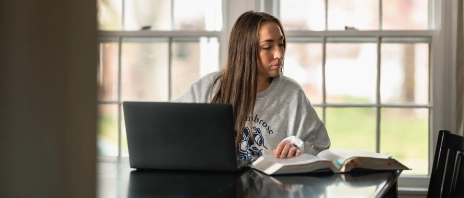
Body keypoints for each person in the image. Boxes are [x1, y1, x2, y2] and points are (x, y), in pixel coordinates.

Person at [175, 11, 330, 162]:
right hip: (215, 185)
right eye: (268, 47)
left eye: (281, 44)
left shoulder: (292, 94)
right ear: (245, 49)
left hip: (275, 187)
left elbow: (321, 146)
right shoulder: (208, 88)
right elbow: (171, 130)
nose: (279, 54)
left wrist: (298, 147)